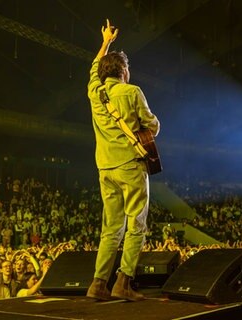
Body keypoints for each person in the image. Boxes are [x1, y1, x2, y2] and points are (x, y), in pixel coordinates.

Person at [86, 18, 159, 302]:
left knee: (111, 227)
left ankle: (98, 283)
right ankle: (123, 282)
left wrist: (105, 42)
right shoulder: (132, 92)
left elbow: (93, 68)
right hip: (130, 166)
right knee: (136, 224)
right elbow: (151, 126)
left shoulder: (95, 93)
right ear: (124, 71)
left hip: (105, 168)